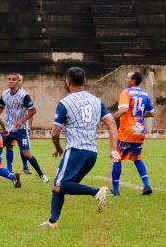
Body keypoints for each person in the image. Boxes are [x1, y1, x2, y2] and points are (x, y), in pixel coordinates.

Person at [41, 67, 118, 228]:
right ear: (84, 81)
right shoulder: (97, 101)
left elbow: (55, 133)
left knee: (58, 185)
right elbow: (111, 123)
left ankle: (96, 192)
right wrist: (113, 149)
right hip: (92, 153)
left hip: (75, 150)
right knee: (60, 185)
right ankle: (52, 221)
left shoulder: (65, 103)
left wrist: (59, 148)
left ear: (67, 82)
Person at [0, 73, 48, 184]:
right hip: (7, 129)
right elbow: (1, 107)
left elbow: (33, 110)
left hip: (21, 130)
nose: (11, 81)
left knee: (26, 153)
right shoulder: (5, 94)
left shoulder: (24, 95)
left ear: (18, 82)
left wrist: (21, 121)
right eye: (9, 79)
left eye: (13, 79)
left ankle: (42, 175)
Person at [111, 70, 156, 195]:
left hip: (127, 131)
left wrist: (111, 119)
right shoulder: (145, 95)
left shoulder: (126, 93)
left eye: (128, 78)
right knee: (137, 158)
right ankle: (147, 185)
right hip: (140, 130)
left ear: (134, 80)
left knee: (117, 158)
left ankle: (115, 190)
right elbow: (152, 113)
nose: (126, 80)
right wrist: (139, 115)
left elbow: (124, 109)